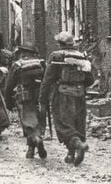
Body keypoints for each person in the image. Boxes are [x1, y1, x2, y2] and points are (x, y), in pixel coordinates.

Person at [39, 32, 94, 165]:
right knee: (77, 124)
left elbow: (47, 80)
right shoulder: (82, 56)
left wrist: (43, 99)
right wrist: (79, 85)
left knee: (64, 124)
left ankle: (78, 144)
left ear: (60, 44)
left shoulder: (56, 56)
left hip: (62, 95)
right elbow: (90, 80)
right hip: (80, 95)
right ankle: (71, 154)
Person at [5, 42, 47, 159]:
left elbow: (9, 86)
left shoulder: (18, 65)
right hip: (40, 97)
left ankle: (36, 140)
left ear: (23, 52)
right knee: (37, 121)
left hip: (25, 97)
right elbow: (48, 80)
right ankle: (31, 149)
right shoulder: (42, 63)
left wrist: (8, 102)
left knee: (28, 122)